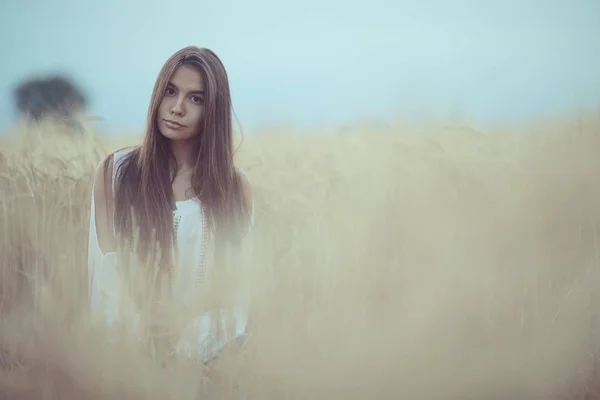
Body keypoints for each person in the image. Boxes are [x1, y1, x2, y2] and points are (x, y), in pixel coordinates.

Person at [86, 46, 254, 365]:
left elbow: (234, 292)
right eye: (170, 91)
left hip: (206, 360)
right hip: (128, 358)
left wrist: (189, 351)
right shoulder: (115, 172)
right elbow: (107, 276)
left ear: (214, 111)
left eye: (196, 98)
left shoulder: (235, 188)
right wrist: (148, 347)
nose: (177, 108)